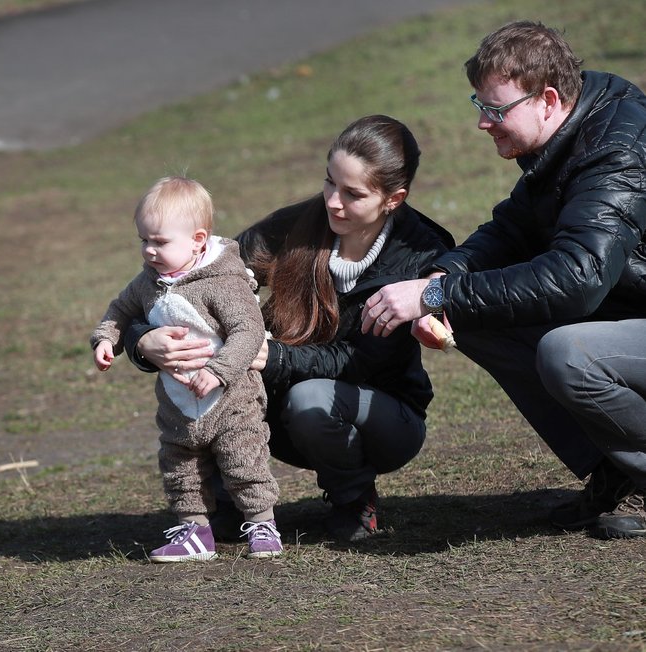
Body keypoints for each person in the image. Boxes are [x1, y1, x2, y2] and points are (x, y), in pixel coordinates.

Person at [360, 21, 646, 540]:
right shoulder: (569, 133)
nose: (483, 124)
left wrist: (433, 293)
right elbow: (511, 229)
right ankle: (617, 471)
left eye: (496, 110)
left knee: (570, 353)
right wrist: (443, 279)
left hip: (617, 299)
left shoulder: (616, 151)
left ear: (549, 99)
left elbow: (579, 277)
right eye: (480, 105)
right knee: (476, 316)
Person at [126, 117, 455, 542]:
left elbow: (363, 361)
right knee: (224, 357)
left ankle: (353, 500)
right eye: (329, 182)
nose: (334, 202)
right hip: (279, 408)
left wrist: (274, 356)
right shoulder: (297, 225)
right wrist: (140, 341)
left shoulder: (422, 252)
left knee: (308, 396)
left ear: (394, 199)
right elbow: (191, 275)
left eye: (353, 194)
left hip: (383, 418)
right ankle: (223, 504)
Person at [91, 176, 284, 562]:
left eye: (160, 242)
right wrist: (104, 339)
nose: (148, 251)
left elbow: (249, 331)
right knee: (181, 467)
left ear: (198, 240)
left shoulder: (223, 281)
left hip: (232, 399)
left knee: (243, 459)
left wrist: (219, 370)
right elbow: (120, 309)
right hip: (178, 402)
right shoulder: (149, 281)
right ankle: (194, 531)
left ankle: (263, 523)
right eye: (143, 241)